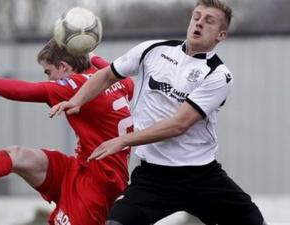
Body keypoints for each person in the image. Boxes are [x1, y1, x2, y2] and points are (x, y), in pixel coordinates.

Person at [49, 0, 267, 224]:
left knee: (253, 221)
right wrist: (76, 101)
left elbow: (178, 125)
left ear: (221, 35)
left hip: (201, 177)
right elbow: (107, 74)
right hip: (153, 178)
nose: (199, 23)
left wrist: (124, 140)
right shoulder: (152, 50)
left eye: (209, 21)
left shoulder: (218, 75)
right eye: (196, 17)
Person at [0, 39, 134, 225]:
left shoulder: (74, 86)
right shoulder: (121, 81)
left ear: (63, 66)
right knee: (19, 156)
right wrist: (84, 47)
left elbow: (22, 91)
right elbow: (102, 63)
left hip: (97, 185)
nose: (50, 79)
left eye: (49, 72)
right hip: (81, 167)